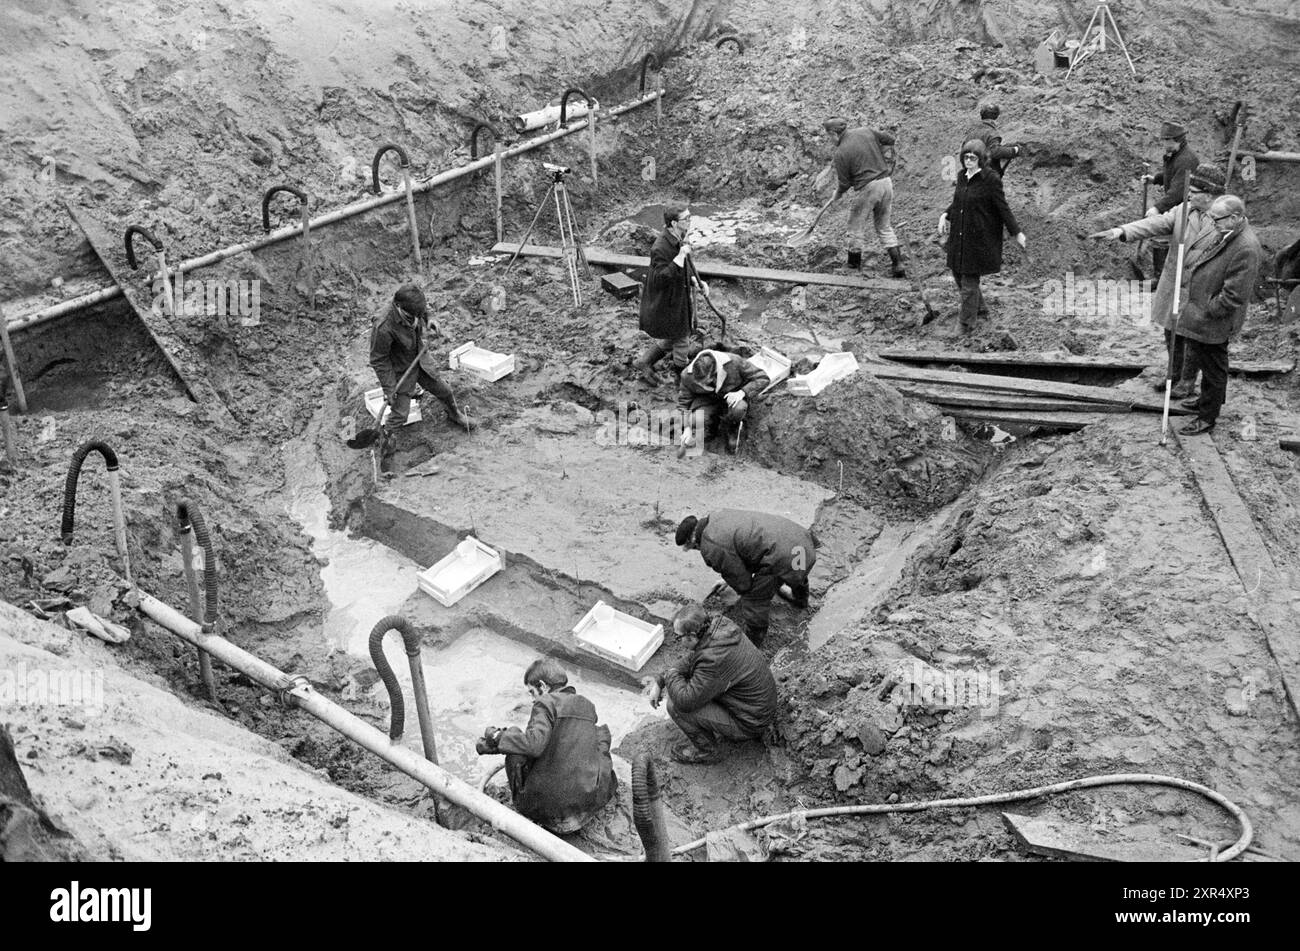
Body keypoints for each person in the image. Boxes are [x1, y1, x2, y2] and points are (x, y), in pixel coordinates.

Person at [1089, 163, 1227, 401]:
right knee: (1171, 330)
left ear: (1210, 195)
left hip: (1201, 286)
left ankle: (1187, 381)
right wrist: (1120, 231)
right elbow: (1156, 223)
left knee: (1192, 334)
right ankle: (1173, 375)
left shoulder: (1223, 219)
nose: (1189, 194)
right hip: (1175, 281)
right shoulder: (1185, 210)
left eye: (1195, 190)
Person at [475, 658, 617, 834]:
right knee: (597, 736)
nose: (532, 699)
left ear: (543, 686)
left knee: (516, 743)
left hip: (549, 814)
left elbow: (534, 745)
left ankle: (524, 805)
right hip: (585, 810)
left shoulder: (546, 703)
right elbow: (563, 740)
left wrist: (498, 737)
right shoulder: (588, 706)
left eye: (532, 692)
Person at [1167, 195, 1261, 434]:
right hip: (1203, 314)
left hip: (1214, 320)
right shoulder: (1228, 233)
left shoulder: (1245, 247)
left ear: (1235, 218)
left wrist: (1210, 310)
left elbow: (1234, 294)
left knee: (1214, 367)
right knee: (1207, 361)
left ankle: (1207, 417)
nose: (1213, 223)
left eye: (1216, 219)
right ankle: (1207, 401)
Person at [642, 604, 778, 765]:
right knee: (686, 684)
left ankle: (707, 752)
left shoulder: (713, 659)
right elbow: (693, 660)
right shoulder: (721, 630)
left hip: (750, 722)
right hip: (757, 708)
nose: (678, 642)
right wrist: (661, 680)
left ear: (691, 636)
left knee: (676, 706)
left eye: (679, 637)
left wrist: (670, 675)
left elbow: (685, 701)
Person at [368, 284, 475, 466]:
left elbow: (423, 311)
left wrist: (429, 320)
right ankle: (386, 448)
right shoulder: (383, 325)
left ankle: (455, 415)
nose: (415, 320)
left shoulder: (414, 306)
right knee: (400, 414)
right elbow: (379, 359)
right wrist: (389, 387)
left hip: (420, 359)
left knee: (445, 391)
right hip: (401, 370)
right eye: (411, 317)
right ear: (398, 307)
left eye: (418, 315)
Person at [675, 508, 816, 645]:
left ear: (692, 541)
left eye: (693, 547)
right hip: (800, 542)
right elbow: (746, 548)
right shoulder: (718, 515)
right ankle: (800, 598)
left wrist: (731, 578)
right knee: (794, 568)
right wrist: (727, 580)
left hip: (783, 557)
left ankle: (754, 640)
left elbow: (743, 583)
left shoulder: (710, 545)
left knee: (753, 598)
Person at [939, 139, 1026, 333]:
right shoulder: (962, 176)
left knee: (969, 279)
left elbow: (1003, 208)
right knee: (958, 273)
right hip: (960, 235)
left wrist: (1016, 232)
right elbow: (959, 201)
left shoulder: (991, 179)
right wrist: (946, 214)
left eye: (972, 157)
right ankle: (980, 308)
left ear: (981, 159)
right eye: (965, 157)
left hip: (979, 238)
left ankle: (966, 324)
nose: (968, 161)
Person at [633, 203, 707, 386]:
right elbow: (661, 278)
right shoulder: (660, 247)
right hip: (665, 300)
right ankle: (683, 375)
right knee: (682, 336)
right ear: (674, 223)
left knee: (675, 333)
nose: (690, 221)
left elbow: (685, 268)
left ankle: (644, 361)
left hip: (678, 295)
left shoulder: (680, 237)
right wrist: (680, 257)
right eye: (686, 219)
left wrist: (697, 281)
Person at [823, 117, 907, 277]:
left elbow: (845, 183)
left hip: (869, 188)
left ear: (834, 133)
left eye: (829, 136)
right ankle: (898, 265)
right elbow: (890, 139)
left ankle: (853, 265)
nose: (830, 140)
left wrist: (838, 193)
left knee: (855, 226)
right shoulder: (866, 131)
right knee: (884, 226)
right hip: (886, 182)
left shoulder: (841, 152)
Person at [676, 349, 769, 454]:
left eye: (705, 382)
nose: (703, 385)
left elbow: (762, 378)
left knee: (739, 408)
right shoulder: (687, 375)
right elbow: (683, 403)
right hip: (708, 401)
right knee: (694, 420)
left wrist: (742, 392)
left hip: (732, 399)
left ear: (714, 372)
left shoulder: (734, 362)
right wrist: (686, 427)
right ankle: (711, 427)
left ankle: (732, 427)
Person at [1144, 121, 1200, 278]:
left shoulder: (1186, 159)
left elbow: (1177, 190)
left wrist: (1157, 208)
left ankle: (1161, 278)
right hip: (1178, 205)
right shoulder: (1177, 155)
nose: (1163, 143)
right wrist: (1155, 179)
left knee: (1163, 237)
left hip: (1186, 208)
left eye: (1165, 140)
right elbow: (1172, 176)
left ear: (1176, 139)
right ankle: (1162, 276)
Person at [961, 102, 1023, 176]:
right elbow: (995, 152)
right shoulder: (991, 133)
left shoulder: (971, 134)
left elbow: (963, 153)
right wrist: (1014, 150)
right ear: (995, 117)